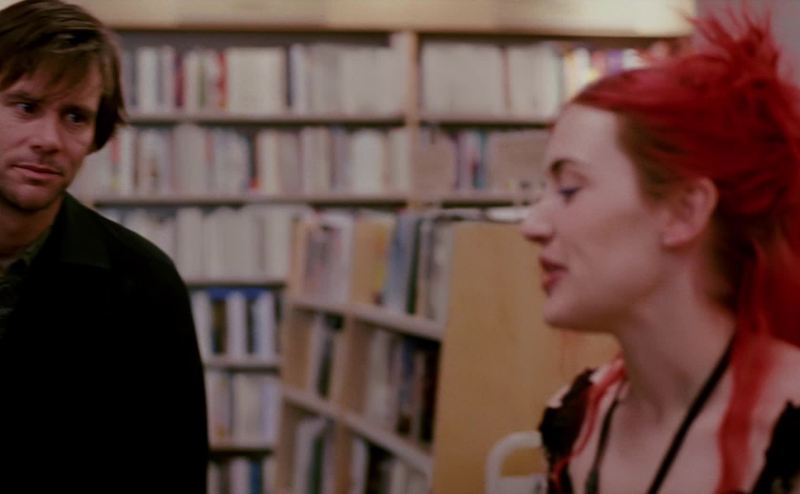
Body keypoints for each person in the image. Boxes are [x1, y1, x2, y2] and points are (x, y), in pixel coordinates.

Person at [521, 11, 800, 494]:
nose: (532, 225)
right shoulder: (576, 420)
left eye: (569, 188)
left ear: (684, 211)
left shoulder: (787, 437)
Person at [0, 0, 208, 491]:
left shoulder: (145, 282)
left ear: (95, 136)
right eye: (26, 107)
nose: (48, 139)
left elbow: (174, 470)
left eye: (75, 116)